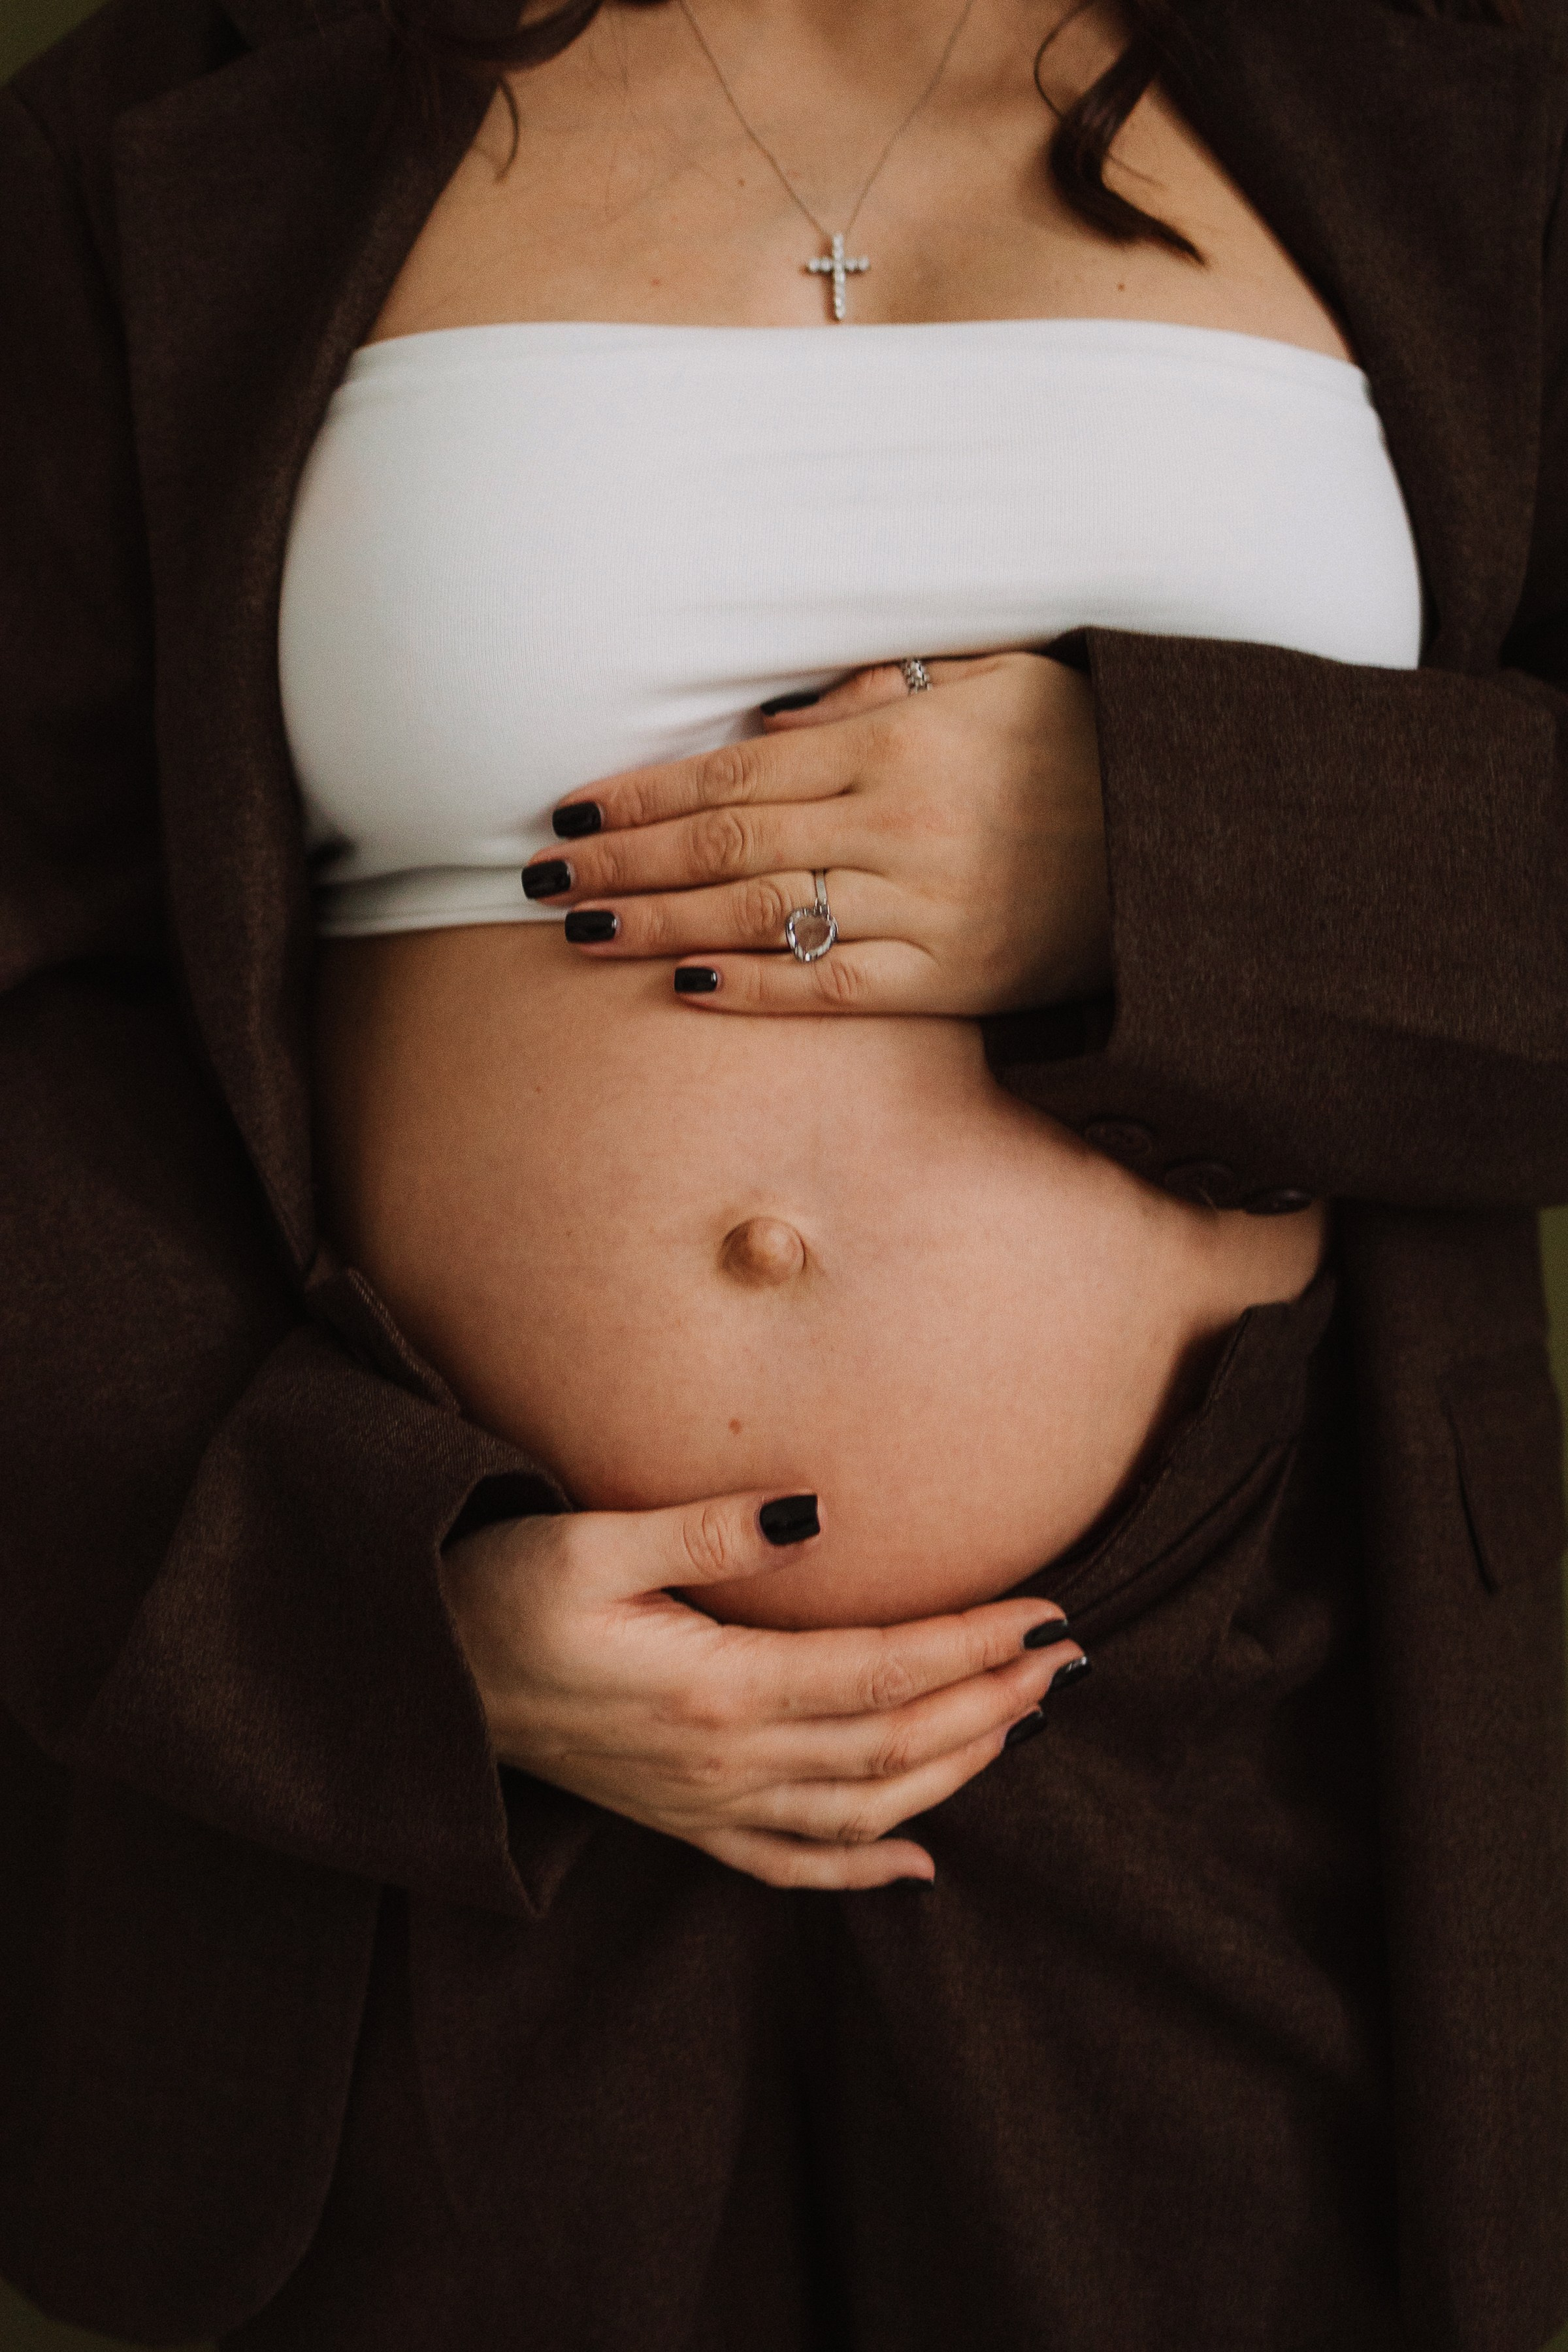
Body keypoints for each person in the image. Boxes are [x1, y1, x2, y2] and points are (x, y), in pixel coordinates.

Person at [2, 0, 1565, 2345]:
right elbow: (31, 986)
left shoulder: (1471, 95)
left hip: (1234, 1748)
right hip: (461, 1842)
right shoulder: (168, 125)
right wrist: (346, 1606)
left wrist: (1168, 850)